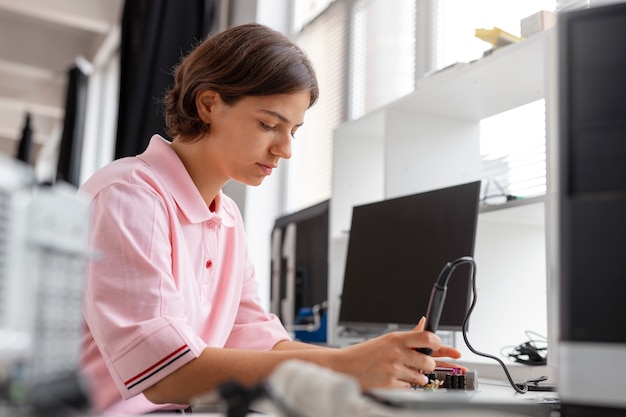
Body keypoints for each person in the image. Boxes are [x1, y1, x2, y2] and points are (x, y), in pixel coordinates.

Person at [79, 23, 463, 415]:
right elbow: (165, 375)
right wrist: (348, 365)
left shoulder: (226, 216)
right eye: (268, 125)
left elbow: (253, 339)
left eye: (293, 131)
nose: (285, 149)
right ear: (208, 104)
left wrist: (376, 357)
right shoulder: (129, 195)